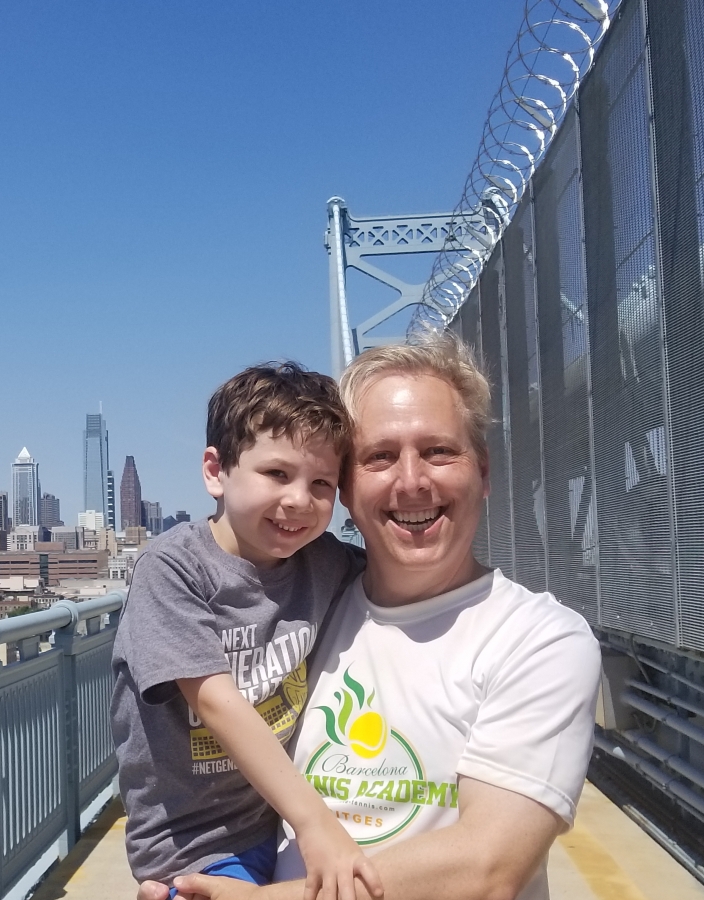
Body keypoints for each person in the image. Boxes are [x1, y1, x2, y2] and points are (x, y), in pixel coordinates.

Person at [145, 335, 601, 900]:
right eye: (379, 457)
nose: (411, 481)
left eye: (438, 451)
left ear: (482, 474)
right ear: (348, 489)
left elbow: (487, 869)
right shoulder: (310, 605)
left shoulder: (541, 640)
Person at [112, 362, 383, 900]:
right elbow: (215, 702)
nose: (300, 500)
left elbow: (401, 582)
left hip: (273, 821)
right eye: (277, 474)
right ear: (216, 471)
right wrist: (314, 822)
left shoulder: (324, 562)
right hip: (193, 844)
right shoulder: (173, 567)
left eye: (322, 483)